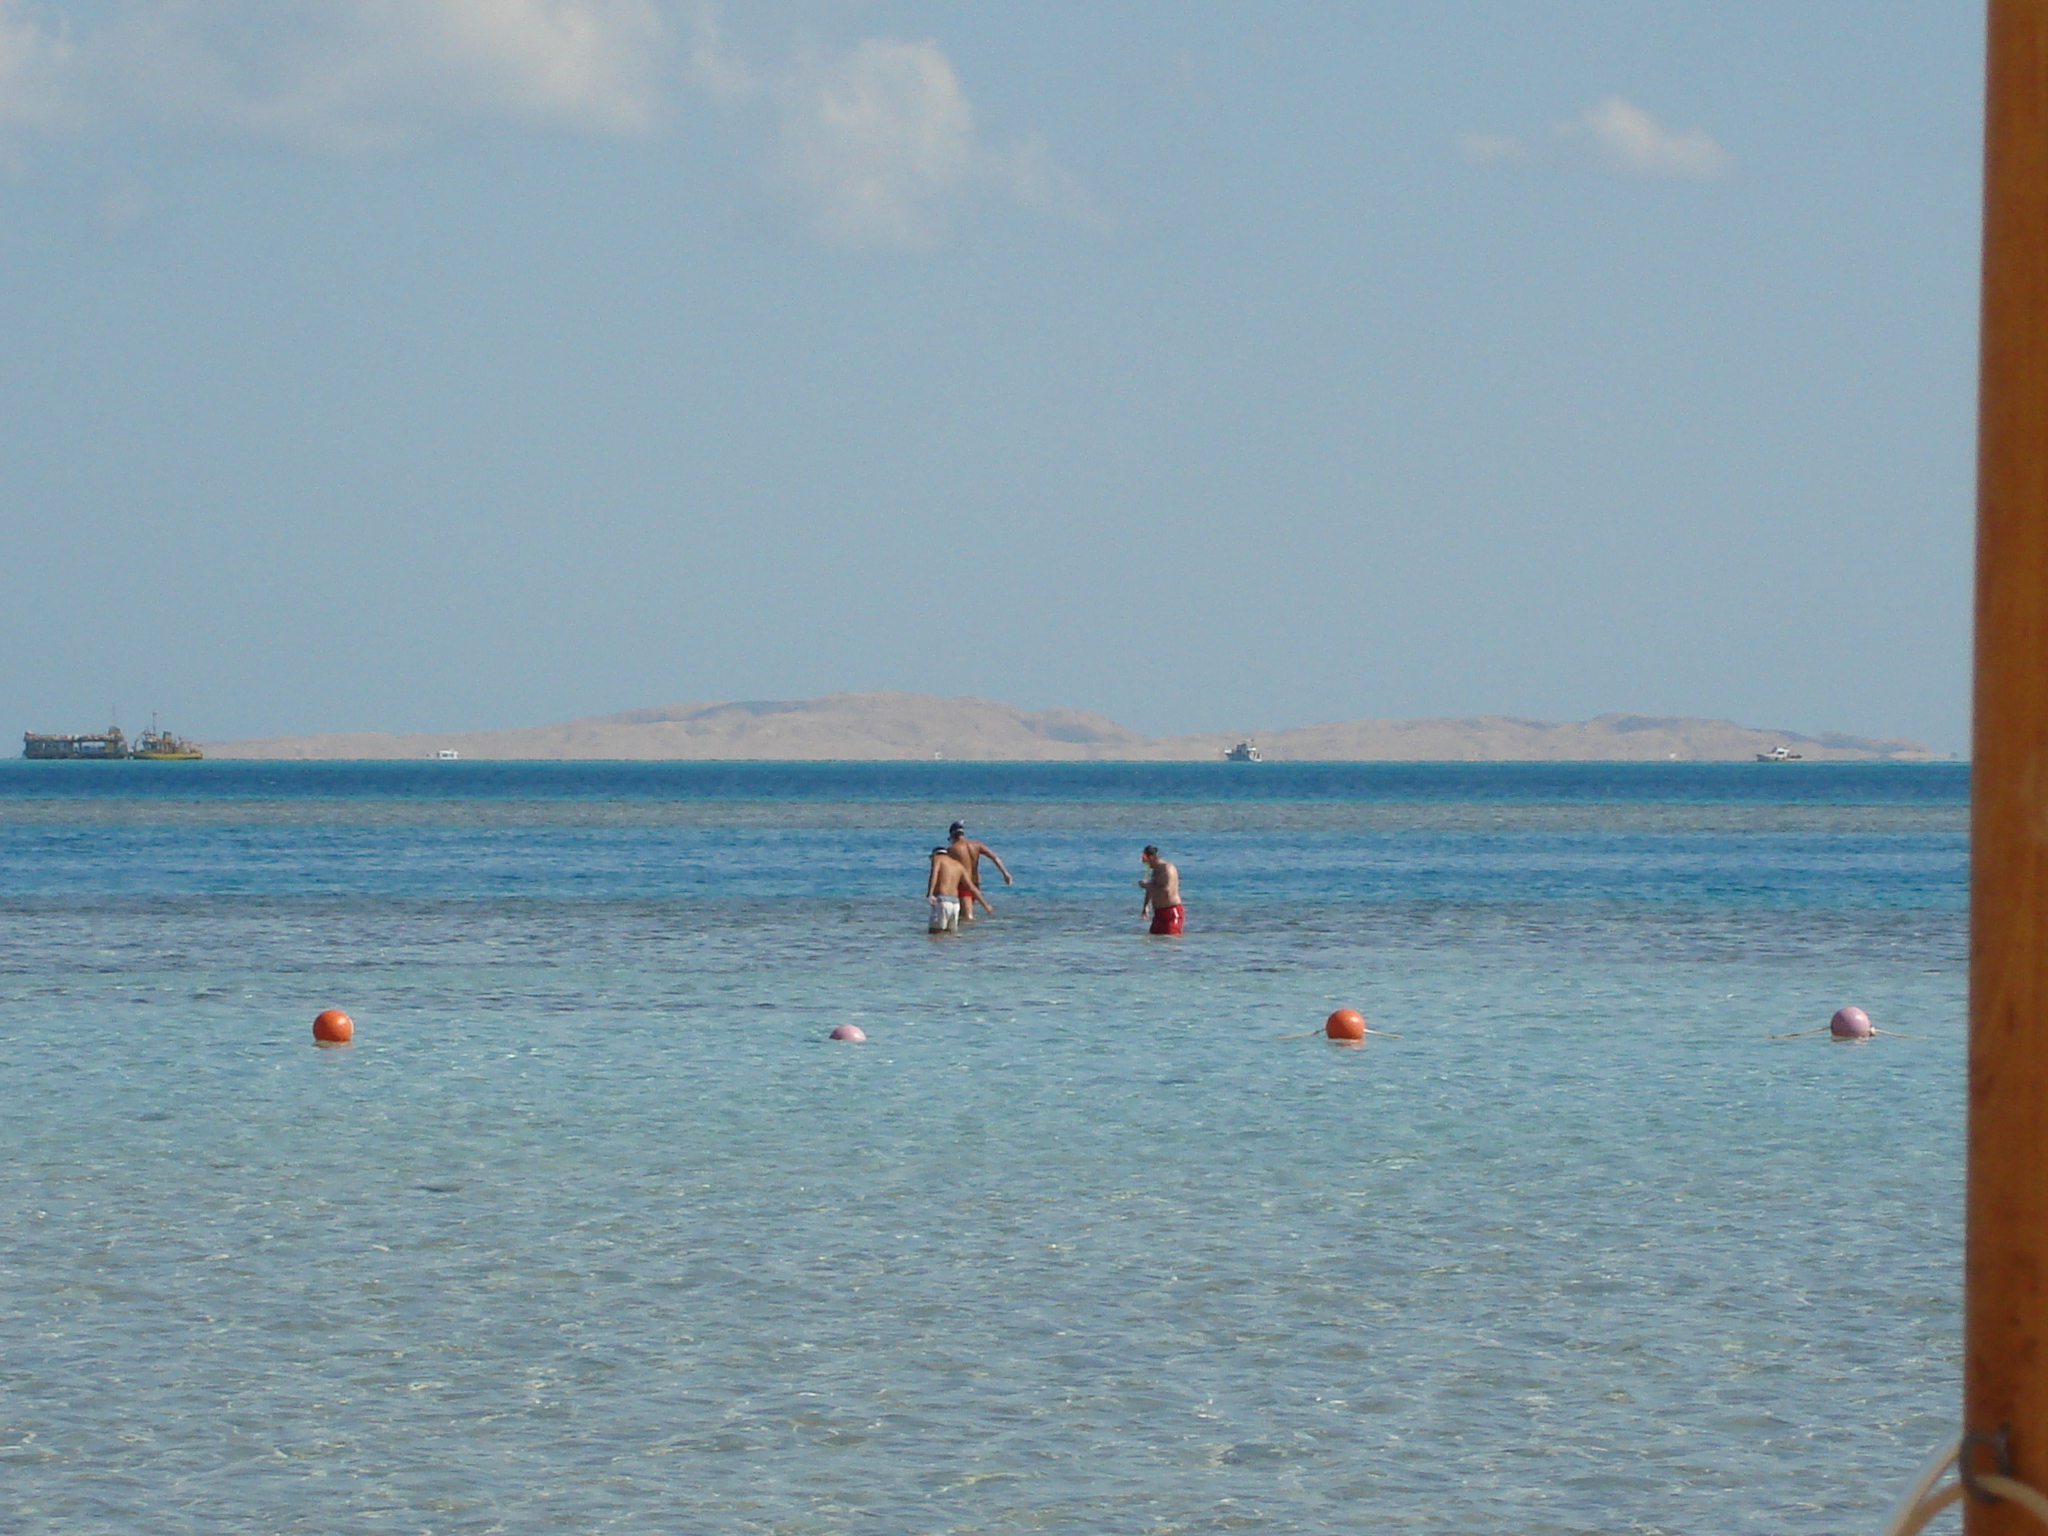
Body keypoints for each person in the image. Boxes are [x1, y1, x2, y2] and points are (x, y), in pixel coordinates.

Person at [946, 821, 1012, 921]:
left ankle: (970, 931)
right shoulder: (977, 845)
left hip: (964, 884)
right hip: (976, 883)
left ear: (952, 835)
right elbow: (994, 857)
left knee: (967, 916)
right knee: (962, 914)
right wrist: (1005, 874)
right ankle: (974, 930)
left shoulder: (952, 849)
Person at [926, 846, 984, 934]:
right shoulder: (958, 865)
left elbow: (934, 874)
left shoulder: (938, 858)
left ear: (935, 855)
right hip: (955, 903)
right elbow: (971, 887)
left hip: (942, 901)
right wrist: (985, 905)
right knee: (951, 935)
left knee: (935, 934)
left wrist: (930, 893)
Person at [1139, 845, 1183, 935]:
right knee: (1153, 938)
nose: (1146, 864)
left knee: (1170, 938)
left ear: (1151, 858)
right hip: (1158, 913)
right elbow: (1152, 887)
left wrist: (1147, 886)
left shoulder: (1167, 869)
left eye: (1146, 860)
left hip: (1171, 911)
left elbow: (1166, 891)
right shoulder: (1155, 870)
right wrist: (1145, 906)